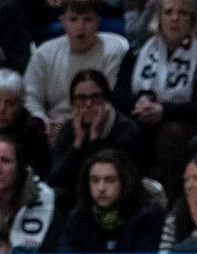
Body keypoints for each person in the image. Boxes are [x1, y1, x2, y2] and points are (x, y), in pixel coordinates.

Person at [114, 0, 197, 194]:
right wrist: (139, 102)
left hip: (187, 122)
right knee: (124, 129)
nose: (175, 18)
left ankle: (174, 201)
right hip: (143, 118)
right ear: (159, 17)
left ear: (193, 18)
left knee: (171, 134)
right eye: (168, 12)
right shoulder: (139, 48)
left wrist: (164, 110)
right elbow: (119, 95)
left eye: (183, 13)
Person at [24, 0, 130, 140]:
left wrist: (71, 126)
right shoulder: (44, 53)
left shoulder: (116, 49)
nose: (80, 27)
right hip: (52, 127)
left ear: (98, 22)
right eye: (73, 19)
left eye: (88, 19)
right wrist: (42, 122)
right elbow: (30, 96)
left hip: (97, 124)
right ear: (63, 23)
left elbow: (109, 98)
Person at [46, 69, 142, 198]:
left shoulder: (126, 129)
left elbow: (112, 178)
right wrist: (78, 142)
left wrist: (94, 137)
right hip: (79, 197)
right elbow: (55, 178)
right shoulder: (70, 129)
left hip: (117, 197)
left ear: (107, 100)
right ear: (73, 103)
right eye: (81, 98)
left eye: (96, 97)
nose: (89, 104)